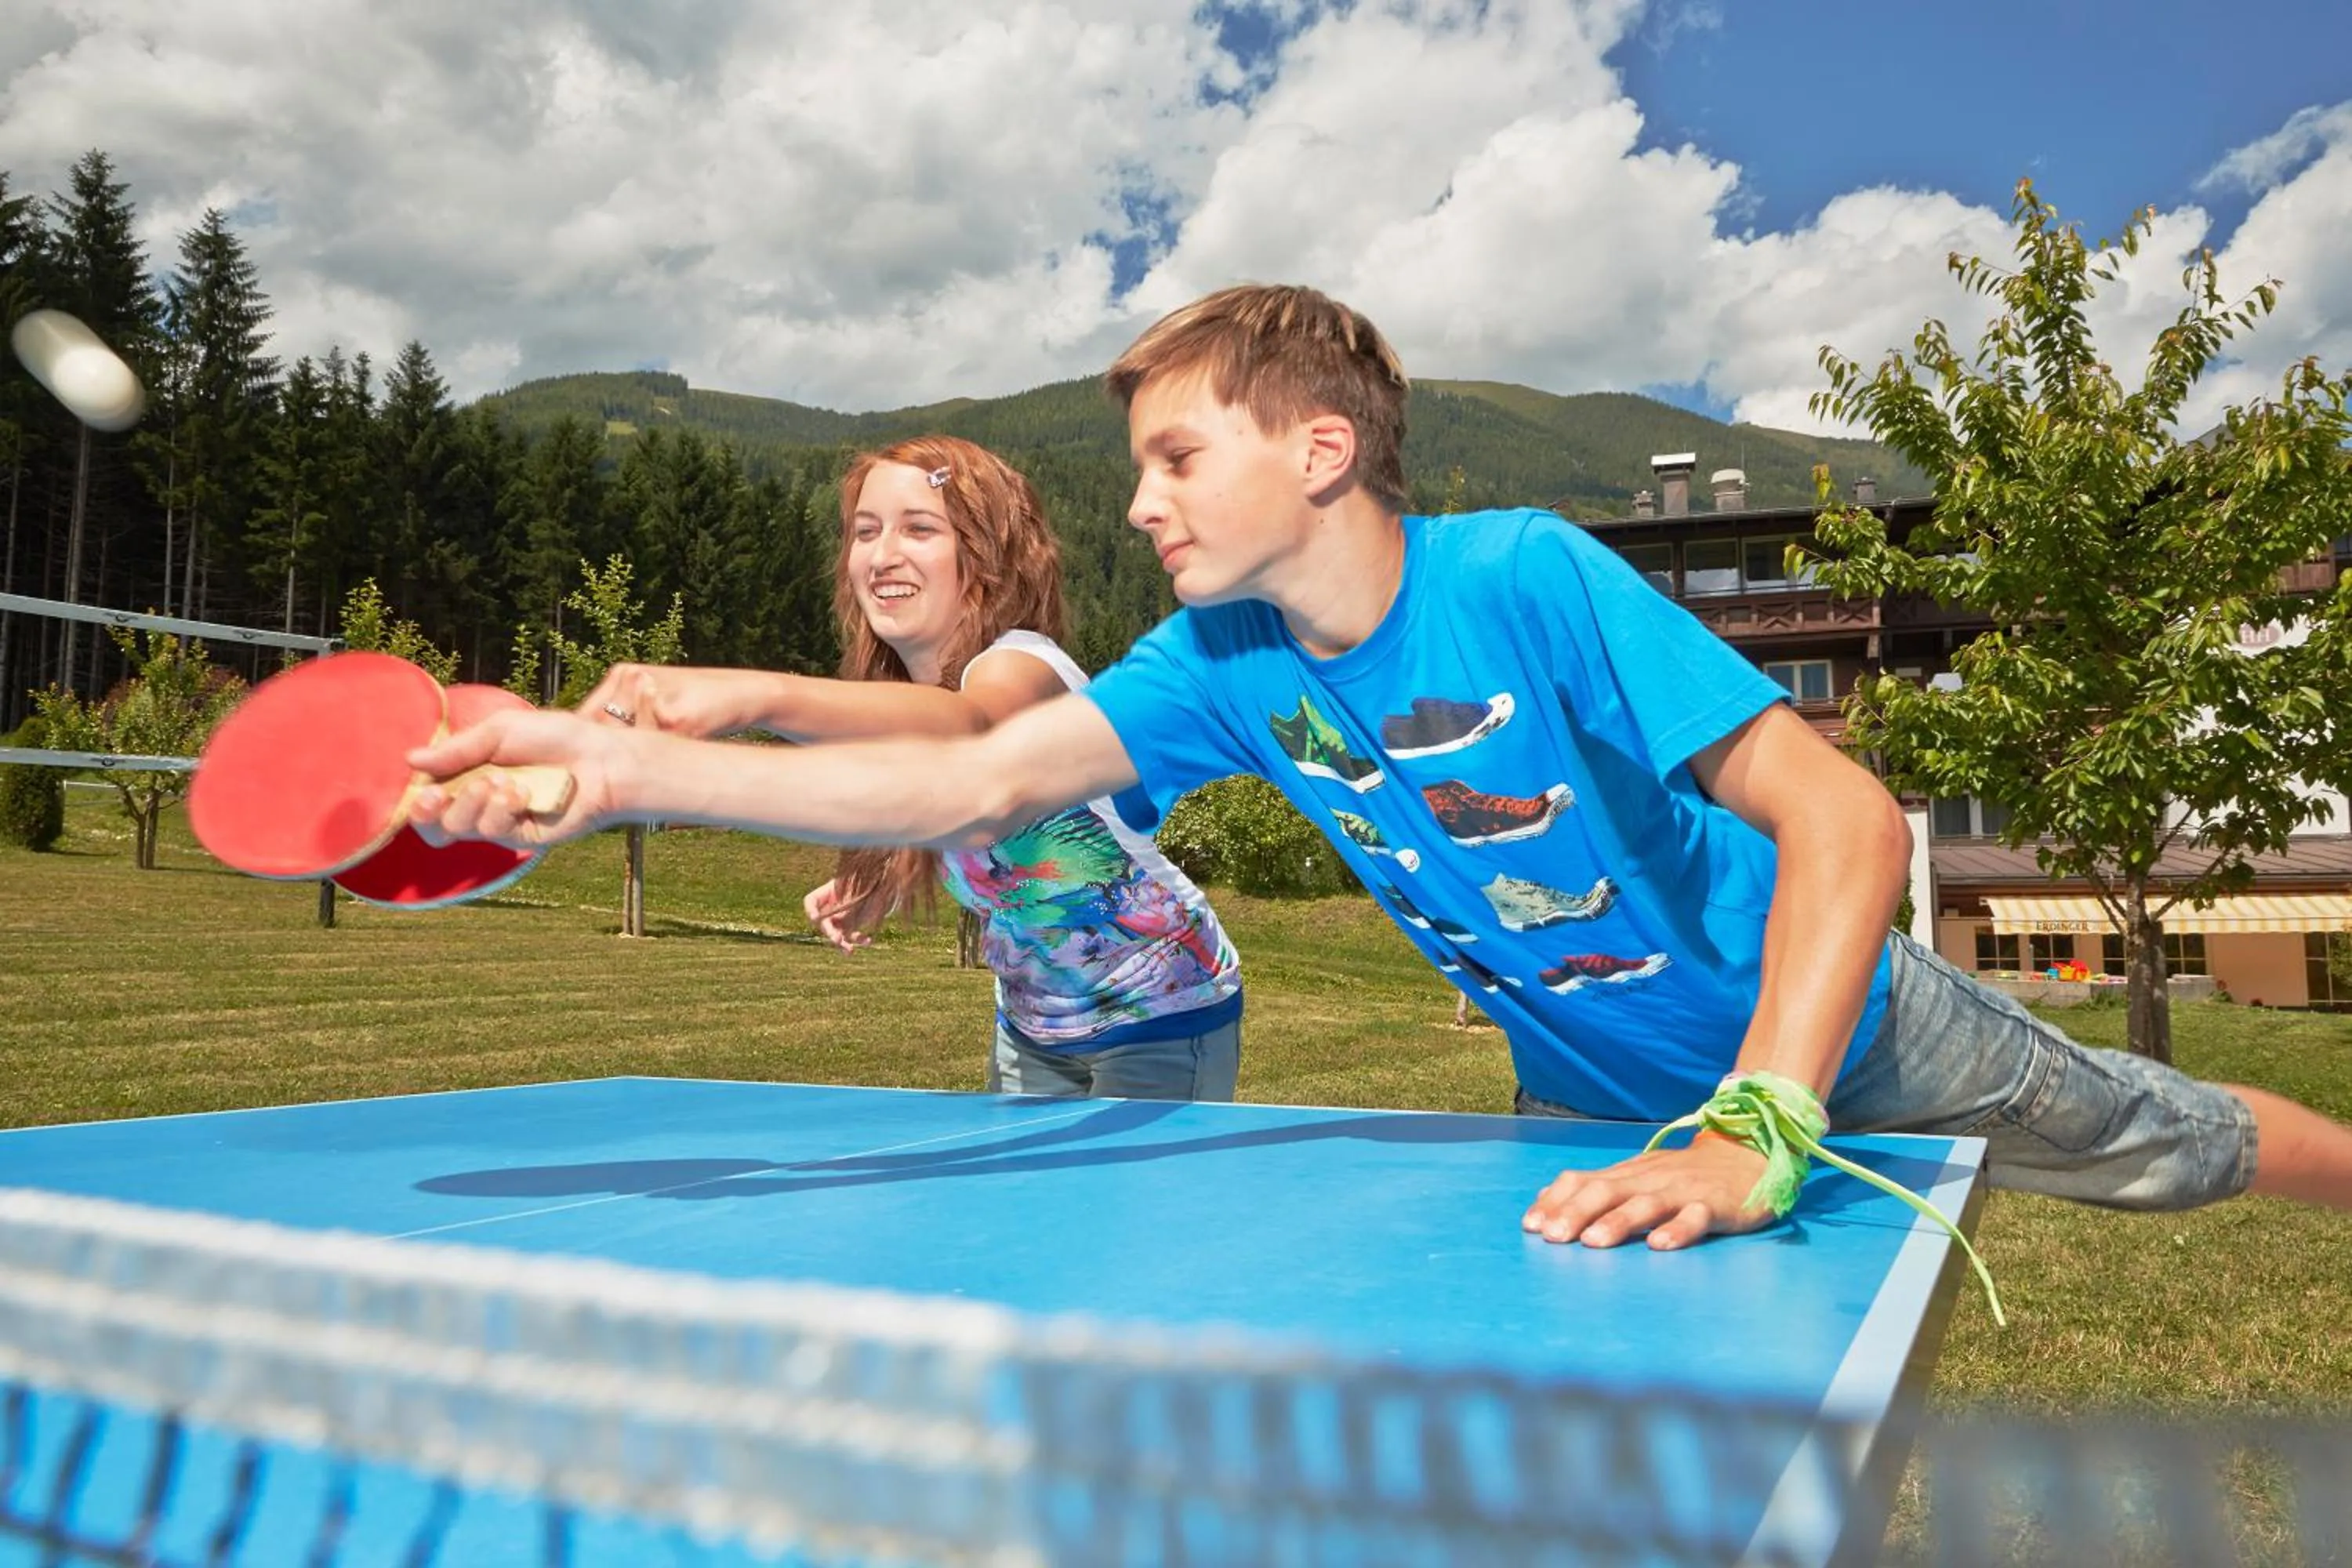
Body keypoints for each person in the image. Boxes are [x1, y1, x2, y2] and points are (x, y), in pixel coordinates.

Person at [410, 285, 2352, 1254]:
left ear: (1318, 454)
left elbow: (1839, 810)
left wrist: (1767, 1110)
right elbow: (955, 782)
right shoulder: (1216, 663)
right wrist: (617, 768)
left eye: (1178, 457)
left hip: (1831, 1019)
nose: (1143, 498)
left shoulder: (1525, 573)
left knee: (2150, 1144)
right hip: (1579, 1081)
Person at [574, 435, 1243, 1102]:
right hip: (1032, 1029)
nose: (883, 555)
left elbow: (974, 741)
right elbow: (917, 788)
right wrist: (883, 874)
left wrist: (757, 696)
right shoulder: (905, 704)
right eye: (865, 533)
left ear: (986, 556)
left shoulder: (1021, 664)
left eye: (920, 529)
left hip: (1166, 1015)